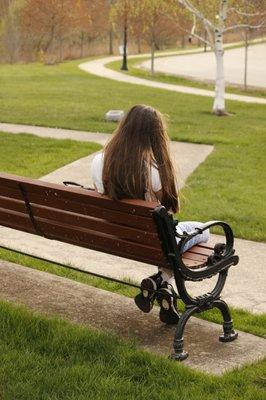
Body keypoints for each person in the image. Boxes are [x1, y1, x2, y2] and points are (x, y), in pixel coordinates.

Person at [91, 104, 209, 324]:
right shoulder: (154, 169)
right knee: (205, 230)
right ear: (155, 135)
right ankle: (159, 280)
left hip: (117, 236)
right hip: (154, 242)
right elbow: (170, 209)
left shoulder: (100, 161)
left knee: (165, 242)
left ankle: (163, 289)